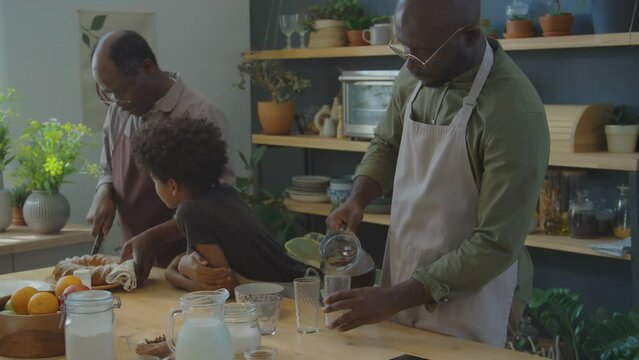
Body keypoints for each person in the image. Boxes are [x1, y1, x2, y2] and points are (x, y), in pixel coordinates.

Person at [324, 0, 550, 347]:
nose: (411, 63)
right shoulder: (417, 70)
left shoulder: (513, 112)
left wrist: (394, 298)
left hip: (477, 290)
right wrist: (357, 199)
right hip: (406, 274)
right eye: (405, 48)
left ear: (471, 36)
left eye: (423, 52)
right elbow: (386, 144)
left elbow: (495, 244)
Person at [86, 30, 235, 284]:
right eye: (105, 93)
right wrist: (105, 190)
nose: (115, 102)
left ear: (147, 68)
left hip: (192, 267)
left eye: (119, 90)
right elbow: (108, 168)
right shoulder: (119, 109)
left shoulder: (201, 113)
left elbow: (219, 201)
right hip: (136, 268)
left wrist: (155, 237)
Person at [131, 117, 307, 291]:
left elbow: (221, 286)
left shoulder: (190, 212)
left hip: (290, 295)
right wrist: (182, 262)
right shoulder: (224, 193)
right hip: (304, 278)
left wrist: (173, 273)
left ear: (172, 186)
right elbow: (207, 266)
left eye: (154, 179)